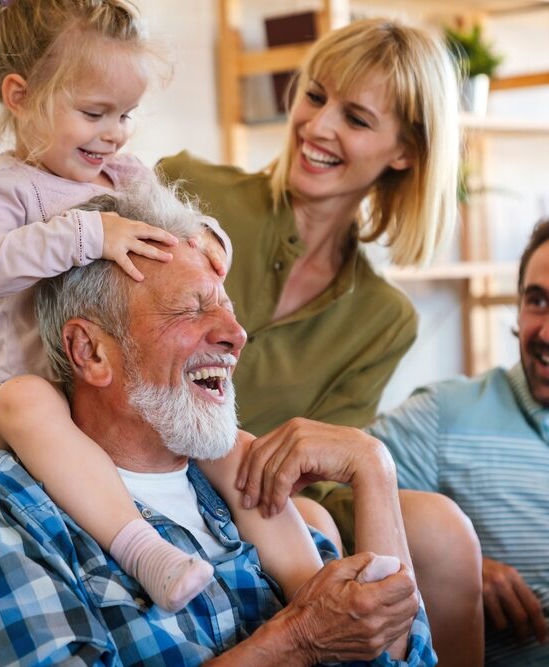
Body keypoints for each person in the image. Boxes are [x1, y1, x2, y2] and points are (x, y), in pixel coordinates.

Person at [0, 182, 435, 666]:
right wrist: (297, 640)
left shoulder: (246, 488)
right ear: (91, 351)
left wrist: (374, 469)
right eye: (191, 310)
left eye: (229, 311)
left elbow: (388, 652)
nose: (237, 335)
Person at [0, 0, 326, 614]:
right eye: (94, 113)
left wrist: (207, 239)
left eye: (125, 114)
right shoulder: (1, 192)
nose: (114, 132)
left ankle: (317, 587)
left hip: (120, 400)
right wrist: (89, 236)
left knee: (235, 449)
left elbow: (177, 226)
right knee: (25, 398)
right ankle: (144, 552)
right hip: (34, 400)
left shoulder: (124, 176)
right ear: (20, 95)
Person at [158, 18, 483, 664]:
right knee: (315, 525)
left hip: (265, 497)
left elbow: (323, 464)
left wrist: (368, 470)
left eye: (356, 118)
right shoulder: (191, 192)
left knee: (440, 528)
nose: (317, 126)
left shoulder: (384, 318)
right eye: (314, 96)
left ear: (404, 152)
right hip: (159, 466)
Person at [363, 218, 549, 667]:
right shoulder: (445, 415)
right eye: (537, 301)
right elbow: (325, 500)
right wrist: (455, 568)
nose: (545, 333)